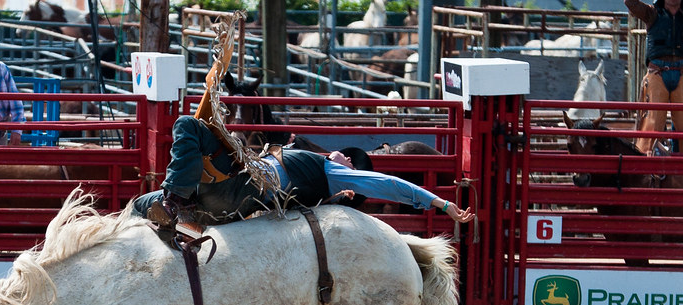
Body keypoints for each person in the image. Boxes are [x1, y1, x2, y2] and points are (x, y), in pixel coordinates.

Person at [134, 115, 474, 235]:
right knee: (138, 205)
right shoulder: (309, 161)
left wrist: (441, 204)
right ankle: (178, 211)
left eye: (350, 162)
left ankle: (174, 201)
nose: (345, 156)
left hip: (241, 187)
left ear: (349, 179)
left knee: (187, 125)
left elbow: (388, 184)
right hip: (221, 202)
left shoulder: (331, 173)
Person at [625, 0, 683, 155]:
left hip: (680, 71)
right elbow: (630, 2)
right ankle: (645, 158)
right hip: (658, 71)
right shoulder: (652, 12)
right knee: (652, 121)